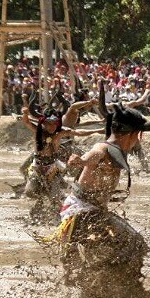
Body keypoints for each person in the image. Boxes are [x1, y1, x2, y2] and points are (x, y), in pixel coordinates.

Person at [52, 92, 150, 298]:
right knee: (134, 244)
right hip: (82, 212)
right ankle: (106, 286)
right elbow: (91, 157)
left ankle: (105, 289)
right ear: (133, 134)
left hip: (92, 212)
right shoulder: (103, 148)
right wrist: (80, 160)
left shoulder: (117, 149)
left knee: (128, 245)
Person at [20, 94, 103, 224]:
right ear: (44, 123)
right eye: (49, 123)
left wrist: (99, 130)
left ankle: (58, 220)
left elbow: (78, 132)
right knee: (30, 192)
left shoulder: (61, 132)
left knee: (55, 197)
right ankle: (41, 202)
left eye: (54, 123)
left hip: (53, 168)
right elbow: (26, 121)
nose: (52, 126)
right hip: (37, 166)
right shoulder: (38, 131)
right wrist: (25, 113)